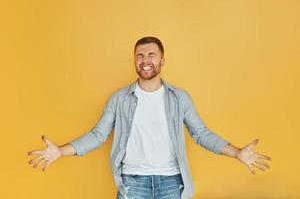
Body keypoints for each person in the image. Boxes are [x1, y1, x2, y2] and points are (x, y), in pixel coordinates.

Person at [27, 36, 272, 199]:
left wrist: (237, 152)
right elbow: (98, 135)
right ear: (135, 61)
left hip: (172, 183)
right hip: (132, 183)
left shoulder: (180, 98)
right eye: (140, 56)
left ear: (162, 61)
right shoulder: (119, 99)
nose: (146, 61)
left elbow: (201, 134)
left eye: (151, 55)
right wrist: (60, 151)